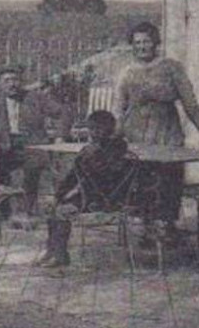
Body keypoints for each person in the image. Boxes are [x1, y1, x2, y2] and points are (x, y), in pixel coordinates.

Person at [113, 21, 199, 240]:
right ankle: (144, 227)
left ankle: (167, 225)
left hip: (166, 131)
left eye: (146, 42)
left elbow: (189, 100)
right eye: (137, 43)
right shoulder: (126, 72)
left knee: (169, 177)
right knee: (141, 178)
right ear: (132, 46)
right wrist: (116, 135)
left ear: (155, 43)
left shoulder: (171, 67)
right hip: (136, 133)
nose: (142, 47)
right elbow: (119, 107)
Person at [34, 109, 144, 270]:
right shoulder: (93, 149)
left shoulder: (114, 150)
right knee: (54, 207)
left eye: (99, 129)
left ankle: (60, 255)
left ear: (110, 130)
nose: (94, 133)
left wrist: (88, 157)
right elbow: (73, 177)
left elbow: (102, 175)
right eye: (91, 129)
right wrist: (59, 195)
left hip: (106, 200)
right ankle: (52, 251)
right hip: (92, 195)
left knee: (62, 211)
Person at [0, 67, 66, 217]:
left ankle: (28, 211)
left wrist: (60, 136)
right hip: (5, 145)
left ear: (21, 81)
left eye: (15, 80)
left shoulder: (36, 98)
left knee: (32, 170)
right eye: (7, 81)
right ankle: (2, 210)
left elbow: (62, 113)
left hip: (32, 145)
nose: (12, 84)